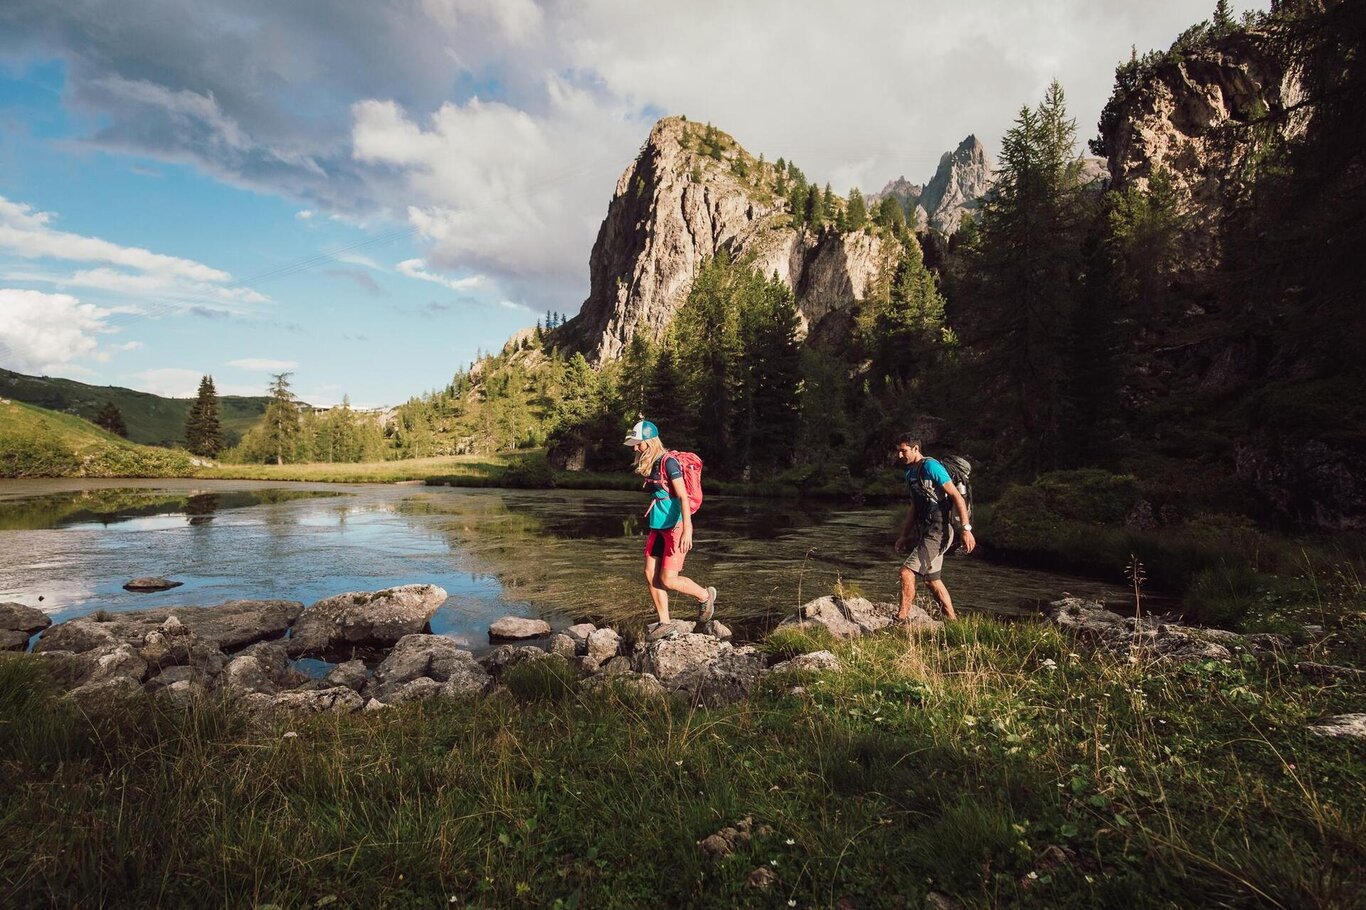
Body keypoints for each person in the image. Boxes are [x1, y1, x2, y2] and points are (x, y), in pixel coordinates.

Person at [624, 419, 717, 636]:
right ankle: (664, 622)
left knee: (668, 579)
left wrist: (688, 529)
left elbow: (683, 497)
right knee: (650, 574)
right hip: (658, 525)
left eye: (639, 443)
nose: (635, 447)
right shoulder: (650, 462)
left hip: (675, 526)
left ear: (650, 441)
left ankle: (705, 596)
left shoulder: (669, 463)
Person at [894, 434, 975, 622]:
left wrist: (966, 529)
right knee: (932, 580)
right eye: (898, 451)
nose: (900, 455)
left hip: (939, 530)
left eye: (903, 451)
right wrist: (904, 535)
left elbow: (957, 496)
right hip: (927, 530)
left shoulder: (931, 466)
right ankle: (953, 622)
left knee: (906, 571)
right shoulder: (910, 474)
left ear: (916, 449)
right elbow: (914, 507)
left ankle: (901, 618)